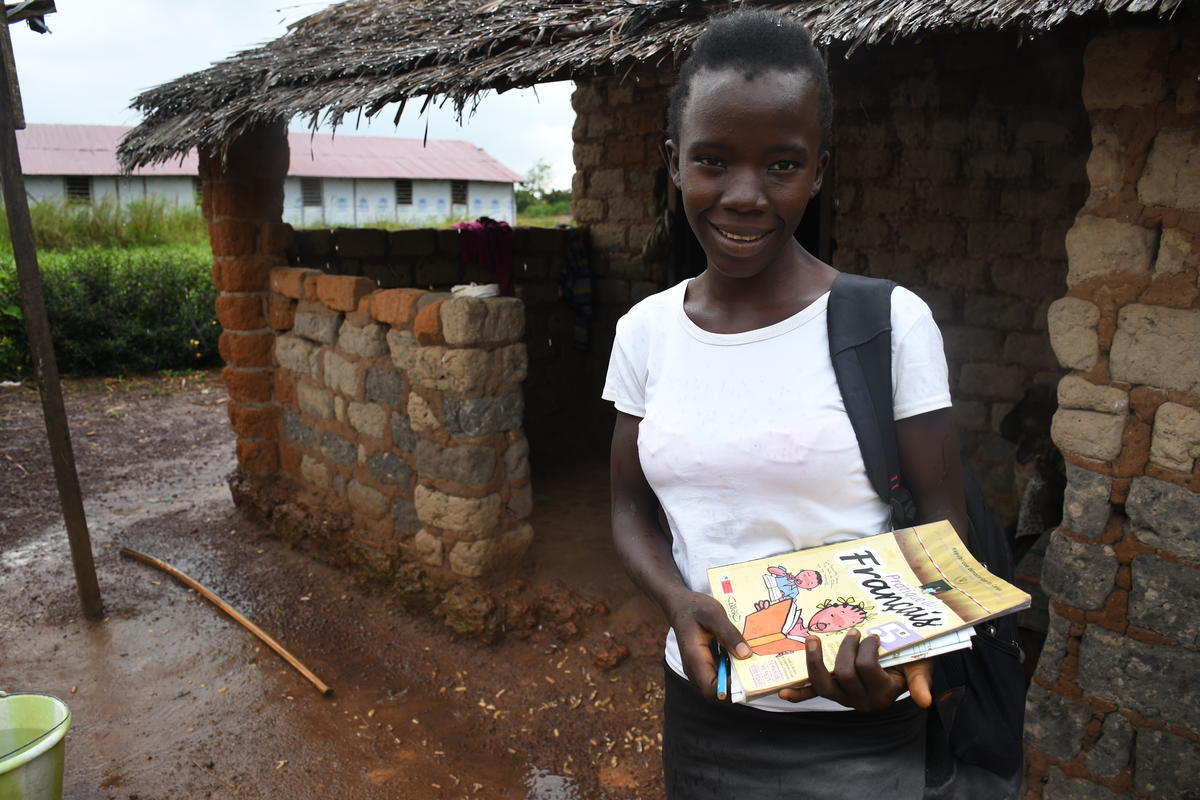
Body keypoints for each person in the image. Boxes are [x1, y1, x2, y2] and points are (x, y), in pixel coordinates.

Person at [603, 8, 973, 798]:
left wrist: (917, 647)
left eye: (780, 165)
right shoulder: (645, 335)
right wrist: (675, 599)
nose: (743, 195)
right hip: (707, 714)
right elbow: (629, 511)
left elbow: (944, 518)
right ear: (674, 162)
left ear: (819, 169)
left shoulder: (889, 323)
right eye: (712, 161)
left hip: (858, 723)